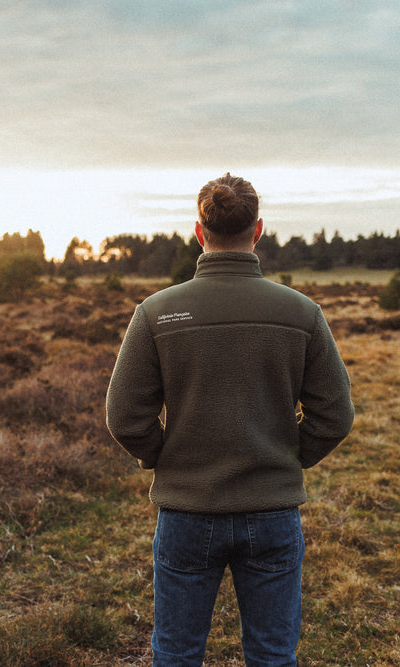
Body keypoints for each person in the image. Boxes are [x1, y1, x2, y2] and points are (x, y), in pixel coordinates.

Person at [106, 173, 355, 666]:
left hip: (186, 512)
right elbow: (336, 414)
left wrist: (167, 459)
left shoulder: (156, 313)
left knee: (175, 653)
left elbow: (124, 417)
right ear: (257, 231)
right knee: (272, 655)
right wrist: (287, 459)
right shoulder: (301, 313)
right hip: (273, 511)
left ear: (200, 232)